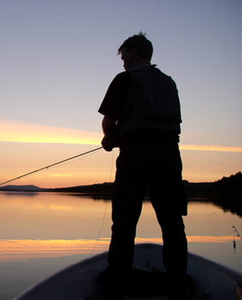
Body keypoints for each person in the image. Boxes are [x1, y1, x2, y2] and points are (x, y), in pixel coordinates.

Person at [98, 32, 188, 299]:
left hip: (135, 156)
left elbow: (109, 121)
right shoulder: (169, 82)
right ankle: (178, 284)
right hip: (170, 157)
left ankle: (117, 282)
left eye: (124, 55)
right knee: (172, 223)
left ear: (134, 52)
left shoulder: (125, 79)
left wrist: (109, 138)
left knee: (124, 222)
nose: (123, 61)